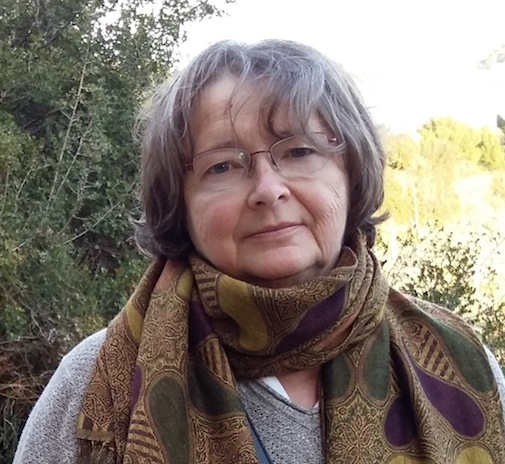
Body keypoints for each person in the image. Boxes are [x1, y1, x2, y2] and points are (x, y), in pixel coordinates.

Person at [14, 39, 505, 464]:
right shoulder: (95, 381)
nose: (269, 190)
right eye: (223, 166)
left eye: (299, 151)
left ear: (352, 173)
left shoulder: (462, 363)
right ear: (179, 202)